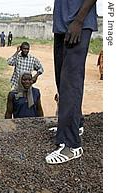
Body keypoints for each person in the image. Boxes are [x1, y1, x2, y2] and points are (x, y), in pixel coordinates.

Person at [45, 0, 98, 164]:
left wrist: (78, 21)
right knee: (62, 81)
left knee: (70, 83)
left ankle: (71, 144)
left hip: (76, 24)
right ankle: (74, 125)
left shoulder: (78, 22)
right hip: (62, 25)